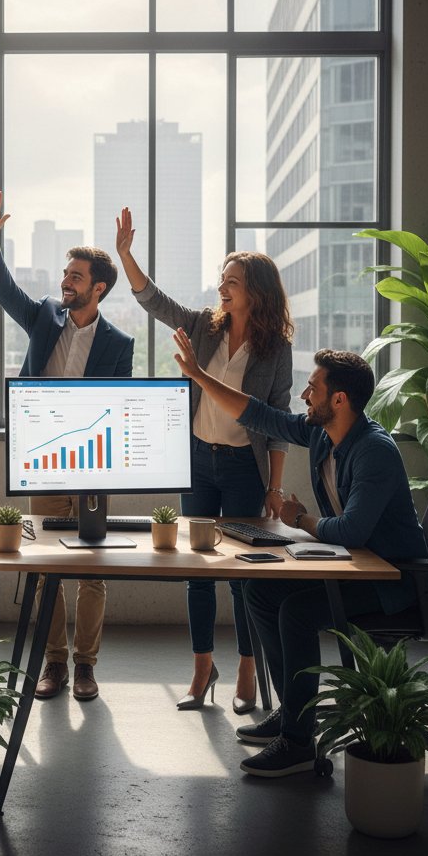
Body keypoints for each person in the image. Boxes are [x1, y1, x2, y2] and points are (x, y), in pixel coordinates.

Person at [173, 340, 428, 777]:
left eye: (311, 388)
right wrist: (199, 376)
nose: (303, 396)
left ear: (339, 399)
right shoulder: (322, 433)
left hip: (394, 581)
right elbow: (259, 414)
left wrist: (301, 519)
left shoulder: (374, 451)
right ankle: (295, 710)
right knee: (259, 588)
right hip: (355, 569)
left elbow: (351, 531)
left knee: (296, 609)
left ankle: (296, 741)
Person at [115, 207, 294, 714]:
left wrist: (274, 488)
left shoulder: (275, 350)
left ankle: (246, 668)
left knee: (241, 575)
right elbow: (153, 301)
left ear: (255, 291)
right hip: (197, 461)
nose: (222, 288)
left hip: (243, 467)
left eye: (231, 281)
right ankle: (201, 668)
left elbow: (278, 421)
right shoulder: (202, 326)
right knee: (197, 571)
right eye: (221, 280)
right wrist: (126, 254)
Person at [0, 187, 134, 703]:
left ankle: (86, 666)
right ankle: (54, 664)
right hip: (42, 460)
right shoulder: (46, 316)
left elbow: (116, 410)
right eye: (65, 275)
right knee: (47, 566)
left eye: (75, 277)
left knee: (91, 569)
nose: (65, 282)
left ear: (100, 288)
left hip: (91, 464)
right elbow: (5, 292)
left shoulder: (118, 345)